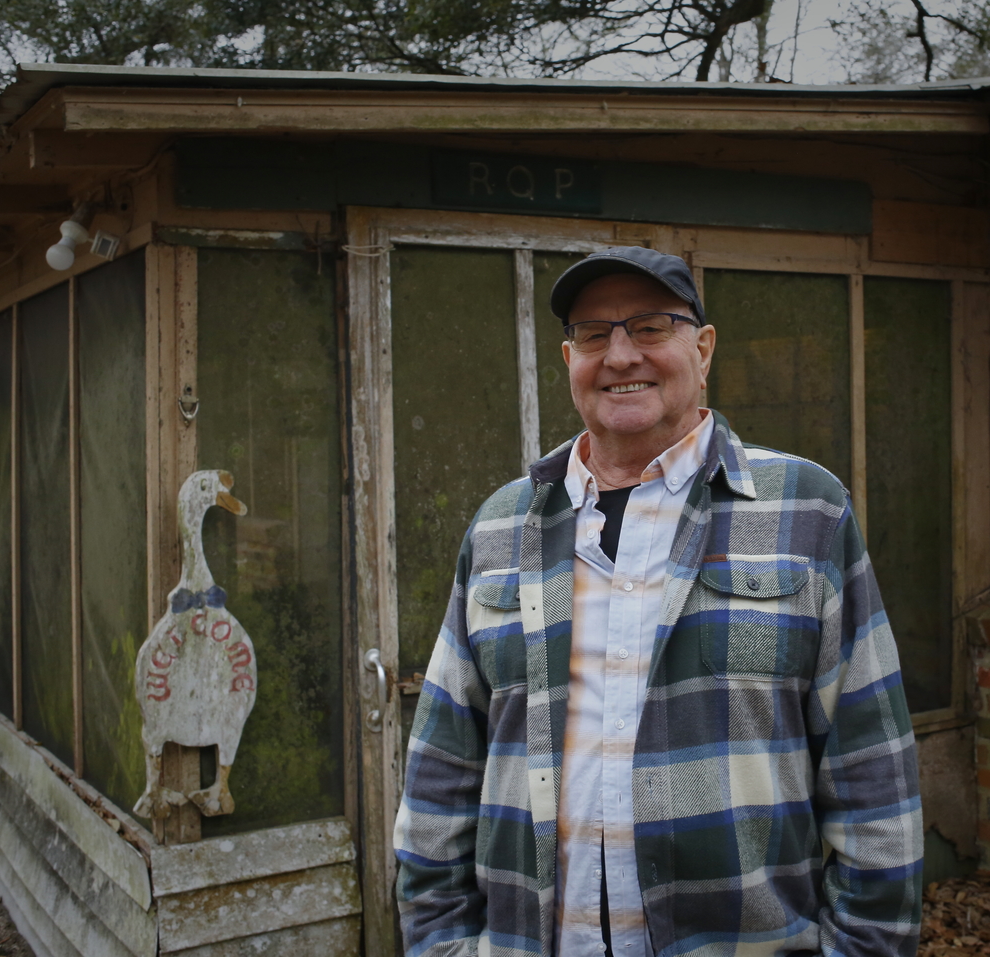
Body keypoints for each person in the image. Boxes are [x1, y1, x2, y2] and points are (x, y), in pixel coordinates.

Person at [393, 245, 923, 956]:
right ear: (568, 359)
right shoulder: (501, 527)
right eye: (593, 334)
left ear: (701, 350)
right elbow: (441, 770)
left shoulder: (806, 511)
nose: (619, 356)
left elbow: (873, 776)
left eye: (649, 328)